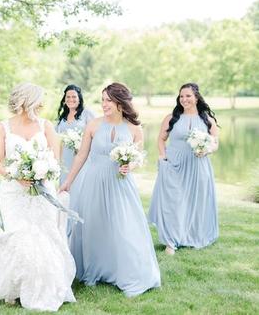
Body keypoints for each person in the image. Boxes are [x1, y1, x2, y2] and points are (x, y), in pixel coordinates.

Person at [0, 83, 76, 312]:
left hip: (42, 190)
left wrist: (42, 173)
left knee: (45, 235)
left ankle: (48, 285)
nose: (42, 104)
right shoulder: (3, 128)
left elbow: (55, 160)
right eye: (38, 99)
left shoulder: (46, 126)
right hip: (13, 193)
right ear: (26, 101)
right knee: (19, 236)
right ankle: (15, 288)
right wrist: (17, 176)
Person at [60, 82, 160, 297]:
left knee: (123, 226)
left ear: (120, 102)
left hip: (120, 184)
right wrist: (68, 181)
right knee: (94, 226)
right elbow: (81, 155)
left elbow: (138, 158)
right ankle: (96, 269)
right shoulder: (93, 125)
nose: (103, 104)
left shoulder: (134, 128)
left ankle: (125, 270)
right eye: (102, 100)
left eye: (108, 100)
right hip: (94, 181)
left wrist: (129, 165)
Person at [148, 83, 219, 255]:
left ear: (196, 98)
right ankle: (171, 241)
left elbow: (215, 143)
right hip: (174, 165)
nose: (184, 99)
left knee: (195, 203)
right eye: (181, 96)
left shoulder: (207, 120)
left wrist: (207, 149)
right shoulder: (171, 117)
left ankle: (192, 235)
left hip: (198, 166)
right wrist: (163, 156)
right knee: (173, 203)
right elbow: (161, 139)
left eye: (188, 96)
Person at [56, 84, 95, 185]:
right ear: (64, 99)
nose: (70, 99)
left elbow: (96, 136)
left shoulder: (87, 114)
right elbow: (57, 140)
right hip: (65, 159)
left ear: (79, 98)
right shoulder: (62, 118)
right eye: (68, 97)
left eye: (74, 97)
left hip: (82, 157)